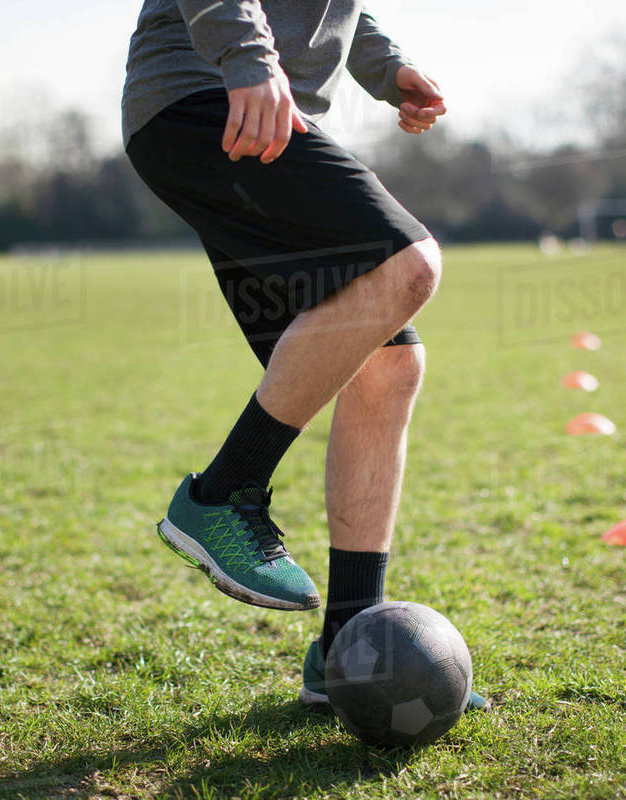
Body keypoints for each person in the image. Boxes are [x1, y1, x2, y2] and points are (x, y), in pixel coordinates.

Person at [122, 0, 486, 711]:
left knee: (387, 367)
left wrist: (388, 69)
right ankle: (222, 492)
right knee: (409, 266)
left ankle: (350, 649)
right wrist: (249, 58)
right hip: (210, 97)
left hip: (250, 104)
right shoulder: (233, 71)